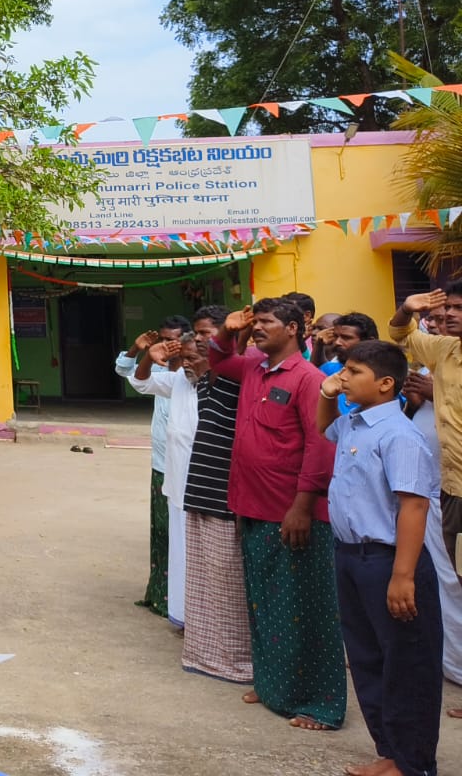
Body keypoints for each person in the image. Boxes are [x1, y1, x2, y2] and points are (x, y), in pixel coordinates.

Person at [211, 300, 344, 731]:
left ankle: (320, 705)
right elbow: (219, 360)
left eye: (266, 323)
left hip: (292, 513)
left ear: (293, 328)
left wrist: (303, 505)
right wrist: (229, 331)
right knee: (264, 604)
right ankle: (273, 688)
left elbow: (321, 445)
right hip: (252, 506)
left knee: (306, 609)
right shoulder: (254, 368)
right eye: (254, 323)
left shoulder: (308, 379)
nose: (257, 330)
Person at [318, 340, 443, 776]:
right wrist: (327, 394)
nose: (343, 376)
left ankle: (414, 763)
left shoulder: (398, 434)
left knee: (406, 665)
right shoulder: (355, 422)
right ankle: (390, 753)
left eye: (353, 371)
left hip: (389, 561)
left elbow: (414, 506)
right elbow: (324, 428)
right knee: (368, 658)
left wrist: (403, 575)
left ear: (385, 383)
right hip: (351, 555)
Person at [177, 308, 254, 685]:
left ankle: (236, 658)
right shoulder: (205, 380)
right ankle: (206, 654)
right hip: (202, 490)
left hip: (227, 493)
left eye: (209, 337)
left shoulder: (240, 378)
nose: (201, 345)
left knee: (229, 581)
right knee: (205, 578)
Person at [117, 315, 191, 619]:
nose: (168, 344)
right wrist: (138, 350)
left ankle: (182, 601)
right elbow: (127, 373)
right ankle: (159, 594)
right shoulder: (159, 370)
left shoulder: (189, 376)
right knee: (161, 532)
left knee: (182, 536)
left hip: (186, 468)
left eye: (174, 338)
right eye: (163, 338)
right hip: (161, 462)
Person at [389, 286, 462, 578]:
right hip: (453, 489)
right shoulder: (445, 348)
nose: (449, 314)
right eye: (449, 308)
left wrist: (434, 393)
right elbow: (401, 335)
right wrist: (407, 309)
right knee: (459, 572)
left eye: (458, 308)